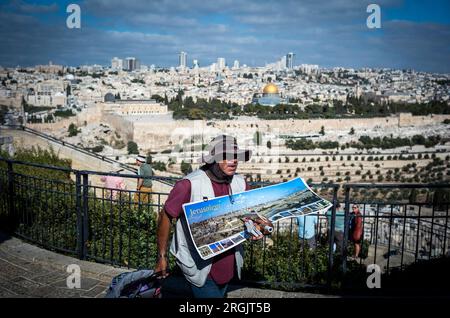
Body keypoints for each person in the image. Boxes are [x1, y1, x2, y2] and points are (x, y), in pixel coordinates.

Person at [154, 135, 273, 298]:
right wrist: (162, 256)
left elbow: (252, 215)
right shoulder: (188, 185)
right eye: (227, 156)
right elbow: (165, 217)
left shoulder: (241, 184)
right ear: (213, 159)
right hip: (200, 268)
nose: (234, 161)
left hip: (228, 267)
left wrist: (260, 226)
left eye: (236, 156)